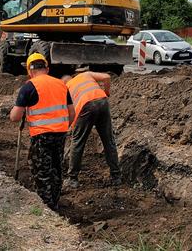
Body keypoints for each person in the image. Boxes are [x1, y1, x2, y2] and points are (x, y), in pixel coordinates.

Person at [9, 53, 74, 210]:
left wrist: (22, 107)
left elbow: (15, 117)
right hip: (60, 134)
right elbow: (72, 113)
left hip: (41, 136)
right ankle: (55, 200)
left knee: (41, 172)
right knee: (56, 169)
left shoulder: (29, 86)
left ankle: (47, 207)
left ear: (30, 71)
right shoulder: (61, 84)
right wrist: (63, 126)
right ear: (47, 68)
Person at [62, 70, 121, 188]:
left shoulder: (66, 88)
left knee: (77, 143)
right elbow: (106, 77)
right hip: (102, 101)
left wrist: (70, 128)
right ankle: (116, 176)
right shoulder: (85, 75)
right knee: (109, 141)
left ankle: (72, 179)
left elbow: (68, 112)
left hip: (85, 107)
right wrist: (107, 92)